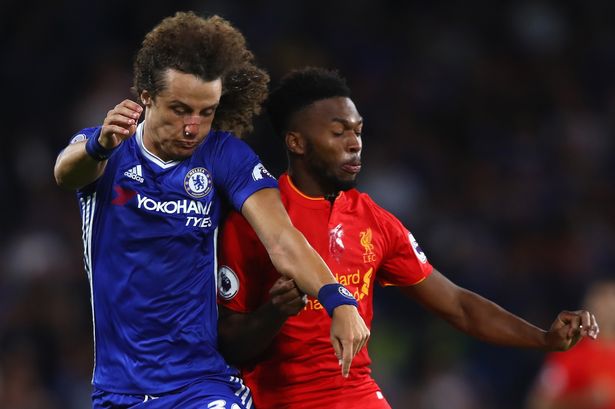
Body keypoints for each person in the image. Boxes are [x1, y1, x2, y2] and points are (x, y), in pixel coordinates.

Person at [216, 67, 600, 409]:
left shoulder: (373, 221)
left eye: (358, 131)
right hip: (279, 398)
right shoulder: (255, 221)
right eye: (338, 132)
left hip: (357, 394)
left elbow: (457, 305)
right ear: (296, 143)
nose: (354, 143)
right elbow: (229, 344)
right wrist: (275, 312)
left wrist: (543, 339)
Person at [53, 14, 369, 409]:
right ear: (147, 96)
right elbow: (66, 173)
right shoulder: (107, 149)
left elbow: (283, 238)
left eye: (206, 112)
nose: (193, 127)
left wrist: (338, 299)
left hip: (199, 382)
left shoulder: (223, 155)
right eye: (181, 109)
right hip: (119, 390)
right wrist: (99, 145)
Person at [526, 280, 615, 409]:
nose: (609, 310)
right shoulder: (570, 351)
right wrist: (584, 399)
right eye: (603, 302)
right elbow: (539, 402)